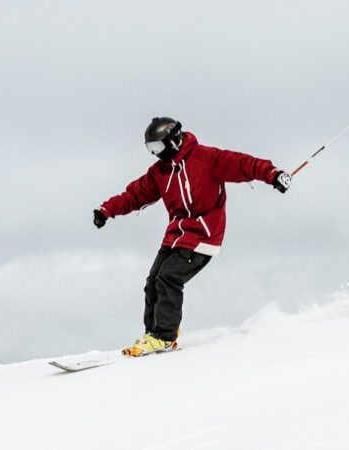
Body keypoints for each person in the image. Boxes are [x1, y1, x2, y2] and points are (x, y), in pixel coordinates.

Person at [93, 117, 291, 356]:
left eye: (157, 147)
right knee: (152, 281)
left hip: (204, 235)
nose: (155, 154)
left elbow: (243, 163)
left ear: (173, 141)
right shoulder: (160, 172)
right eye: (150, 149)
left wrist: (273, 174)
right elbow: (135, 195)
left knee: (168, 278)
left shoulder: (206, 158)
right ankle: (153, 334)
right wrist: (107, 210)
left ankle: (164, 336)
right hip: (176, 236)